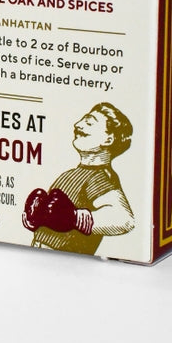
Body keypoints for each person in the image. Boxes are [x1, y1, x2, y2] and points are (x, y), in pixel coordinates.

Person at [24, 103, 134, 256]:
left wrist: (75, 218)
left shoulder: (99, 177)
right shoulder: (69, 174)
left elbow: (124, 220)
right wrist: (35, 219)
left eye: (89, 123)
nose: (77, 125)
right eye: (81, 120)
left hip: (66, 260)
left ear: (108, 139)